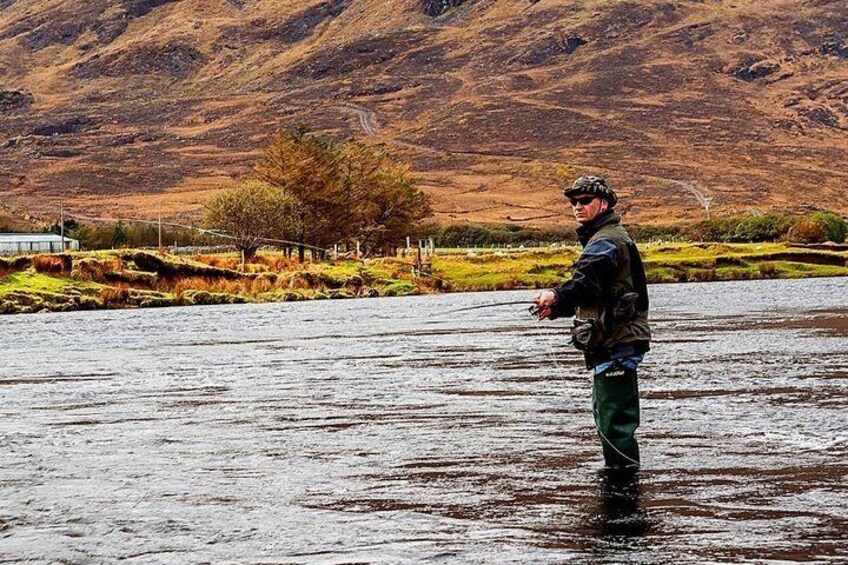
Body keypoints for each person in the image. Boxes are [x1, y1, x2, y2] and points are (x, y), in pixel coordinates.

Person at [534, 175, 651, 469]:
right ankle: (622, 491)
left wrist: (555, 296)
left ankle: (623, 496)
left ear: (604, 203)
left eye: (585, 201)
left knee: (614, 427)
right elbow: (598, 292)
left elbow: (586, 284)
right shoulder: (606, 238)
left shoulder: (606, 241)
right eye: (573, 202)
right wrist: (558, 307)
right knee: (609, 421)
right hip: (613, 342)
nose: (577, 206)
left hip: (616, 343)